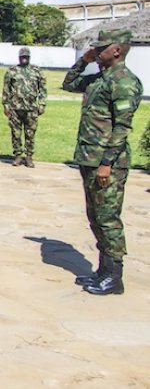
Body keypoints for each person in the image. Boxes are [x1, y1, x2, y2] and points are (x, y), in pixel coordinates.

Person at [62, 28, 142, 296]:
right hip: (90, 158)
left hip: (108, 163)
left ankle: (114, 277)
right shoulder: (100, 79)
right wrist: (84, 60)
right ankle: (103, 270)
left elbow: (121, 128)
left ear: (117, 50)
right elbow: (69, 83)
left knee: (108, 219)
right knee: (95, 217)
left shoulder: (124, 82)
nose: (97, 52)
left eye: (101, 48)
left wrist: (107, 163)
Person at [2, 47, 47, 167]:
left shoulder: (36, 71)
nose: (24, 59)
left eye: (26, 56)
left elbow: (42, 89)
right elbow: (6, 89)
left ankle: (29, 157)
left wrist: (42, 104)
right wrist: (6, 105)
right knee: (16, 133)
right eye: (22, 56)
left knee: (30, 133)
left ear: (29, 57)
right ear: (19, 57)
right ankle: (17, 155)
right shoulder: (12, 71)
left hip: (31, 108)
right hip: (15, 108)